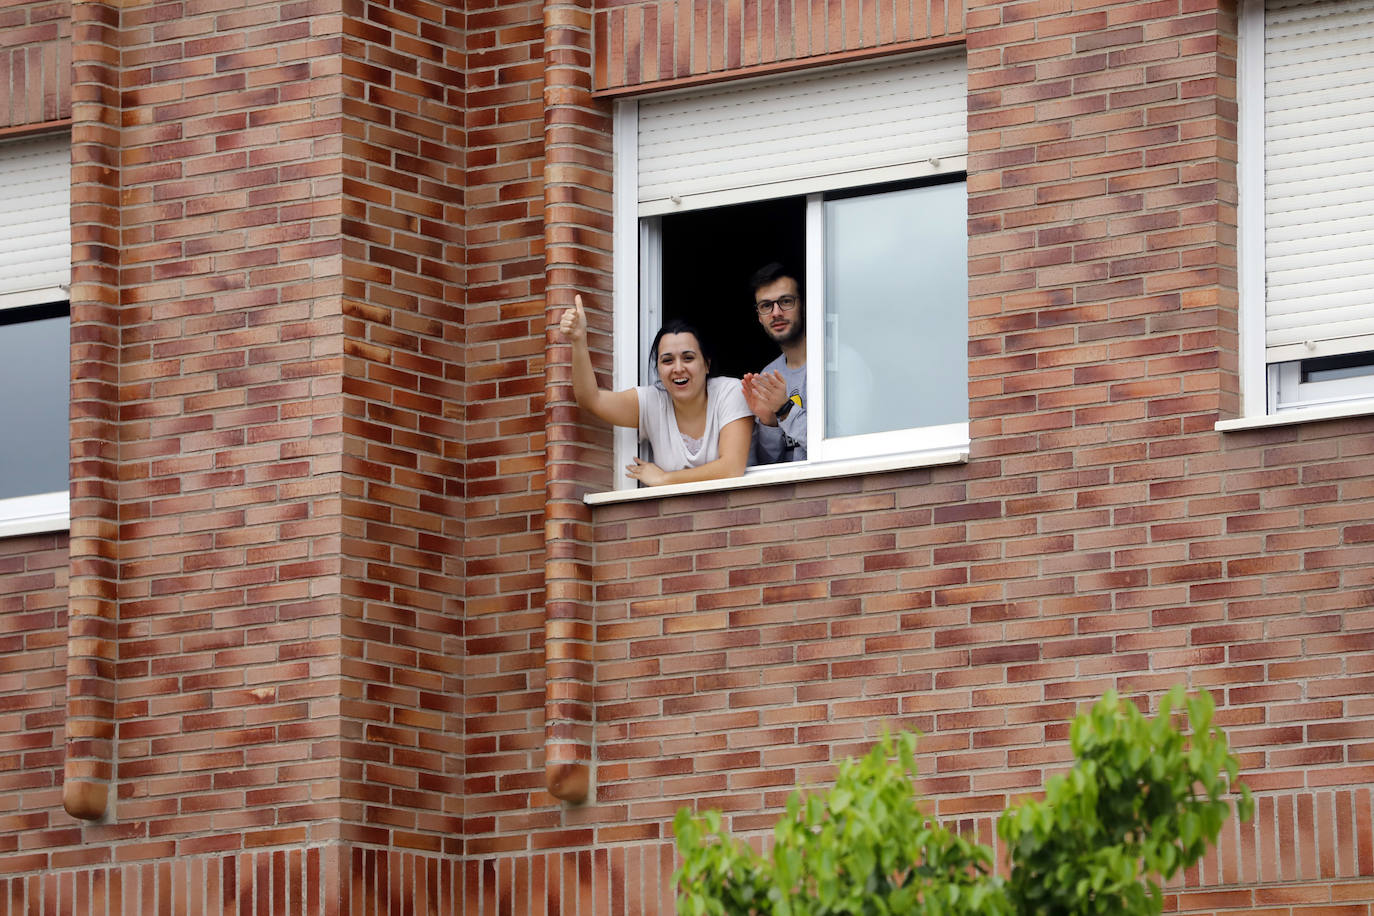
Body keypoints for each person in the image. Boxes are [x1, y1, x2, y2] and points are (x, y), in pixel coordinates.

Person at [557, 295, 753, 486]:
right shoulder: (652, 401)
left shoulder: (729, 391)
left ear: (707, 364)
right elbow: (590, 399)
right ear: (658, 369)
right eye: (667, 360)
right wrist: (578, 340)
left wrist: (664, 479)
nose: (678, 368)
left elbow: (731, 468)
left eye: (688, 358)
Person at [742, 263, 806, 464]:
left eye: (786, 301)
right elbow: (770, 465)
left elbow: (837, 448)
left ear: (804, 305)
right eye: (766, 306)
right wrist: (768, 423)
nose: (776, 312)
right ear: (759, 317)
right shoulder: (768, 374)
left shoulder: (835, 364)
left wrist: (785, 409)